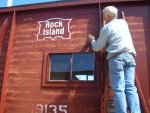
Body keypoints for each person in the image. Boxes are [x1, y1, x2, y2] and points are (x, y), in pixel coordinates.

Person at [87, 6, 141, 113]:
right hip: (129, 57)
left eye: (104, 16)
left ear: (107, 16)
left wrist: (92, 41)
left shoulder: (106, 28)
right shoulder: (123, 23)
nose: (103, 18)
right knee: (130, 87)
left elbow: (98, 47)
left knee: (118, 89)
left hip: (117, 58)